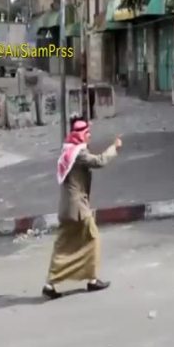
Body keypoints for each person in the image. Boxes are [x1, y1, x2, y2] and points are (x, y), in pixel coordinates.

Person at [42, 117, 122, 299]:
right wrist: (114, 147)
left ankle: (50, 284)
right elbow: (100, 161)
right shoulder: (78, 154)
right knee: (92, 239)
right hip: (78, 209)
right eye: (87, 134)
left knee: (63, 245)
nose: (90, 136)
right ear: (81, 135)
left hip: (66, 208)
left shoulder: (68, 151)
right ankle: (92, 280)